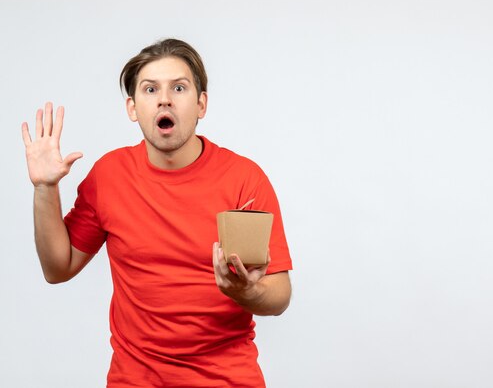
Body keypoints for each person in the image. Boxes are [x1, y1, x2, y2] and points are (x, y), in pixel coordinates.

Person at [21, 38, 293, 387]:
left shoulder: (244, 179)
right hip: (134, 380)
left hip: (227, 380)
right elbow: (57, 268)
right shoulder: (109, 176)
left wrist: (246, 292)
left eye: (179, 87)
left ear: (201, 104)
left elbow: (280, 294)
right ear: (133, 108)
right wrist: (45, 188)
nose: (164, 98)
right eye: (150, 89)